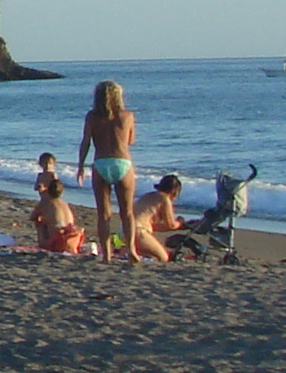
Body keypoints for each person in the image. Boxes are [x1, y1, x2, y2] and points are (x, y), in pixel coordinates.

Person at [76, 80, 139, 263]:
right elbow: (130, 140)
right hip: (122, 162)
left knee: (103, 213)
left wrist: (80, 166)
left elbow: (86, 142)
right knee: (127, 212)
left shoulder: (92, 117)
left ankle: (107, 255)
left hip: (101, 162)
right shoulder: (126, 116)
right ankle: (132, 251)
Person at [135, 174, 201, 262]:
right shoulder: (164, 199)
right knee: (163, 257)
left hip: (126, 229)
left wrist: (181, 226)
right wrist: (181, 223)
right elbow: (171, 225)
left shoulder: (148, 196)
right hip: (138, 231)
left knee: (147, 253)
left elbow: (154, 226)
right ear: (174, 191)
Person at [29, 154, 84, 254]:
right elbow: (37, 187)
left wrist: (45, 189)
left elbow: (56, 185)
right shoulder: (40, 176)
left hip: (49, 199)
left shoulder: (52, 175)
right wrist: (39, 187)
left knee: (41, 222)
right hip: (48, 198)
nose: (46, 166)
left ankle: (45, 240)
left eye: (49, 164)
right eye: (44, 163)